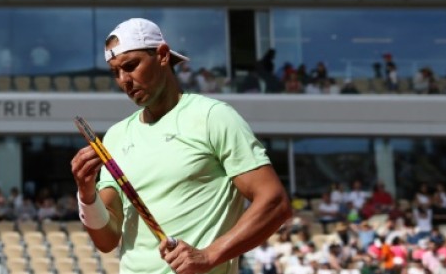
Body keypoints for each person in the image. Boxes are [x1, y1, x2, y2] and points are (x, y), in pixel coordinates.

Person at [70, 18, 291, 274]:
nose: (124, 81)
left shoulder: (213, 117)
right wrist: (86, 194)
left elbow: (275, 203)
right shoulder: (117, 136)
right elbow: (107, 240)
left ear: (163, 55)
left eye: (130, 66)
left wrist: (208, 256)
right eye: (115, 72)